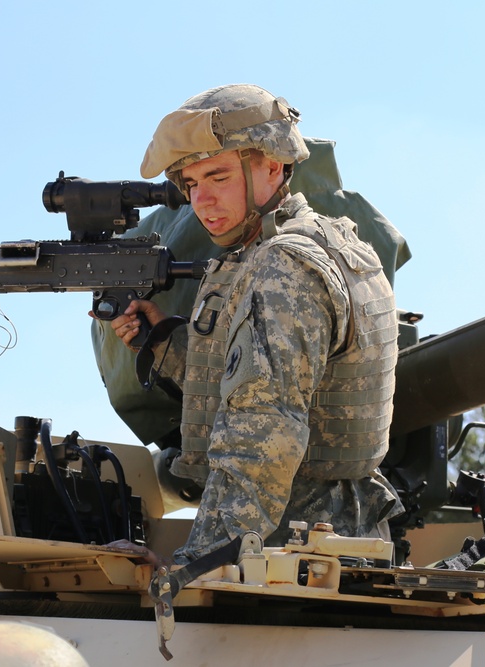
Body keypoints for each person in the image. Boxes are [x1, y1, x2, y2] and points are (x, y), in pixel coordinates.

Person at [104, 84, 403, 565]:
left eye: (218, 177)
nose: (202, 200)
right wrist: (163, 340)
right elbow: (265, 381)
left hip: (289, 551)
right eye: (191, 184)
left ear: (272, 164)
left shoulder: (283, 265)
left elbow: (263, 439)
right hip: (327, 537)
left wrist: (195, 564)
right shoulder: (321, 242)